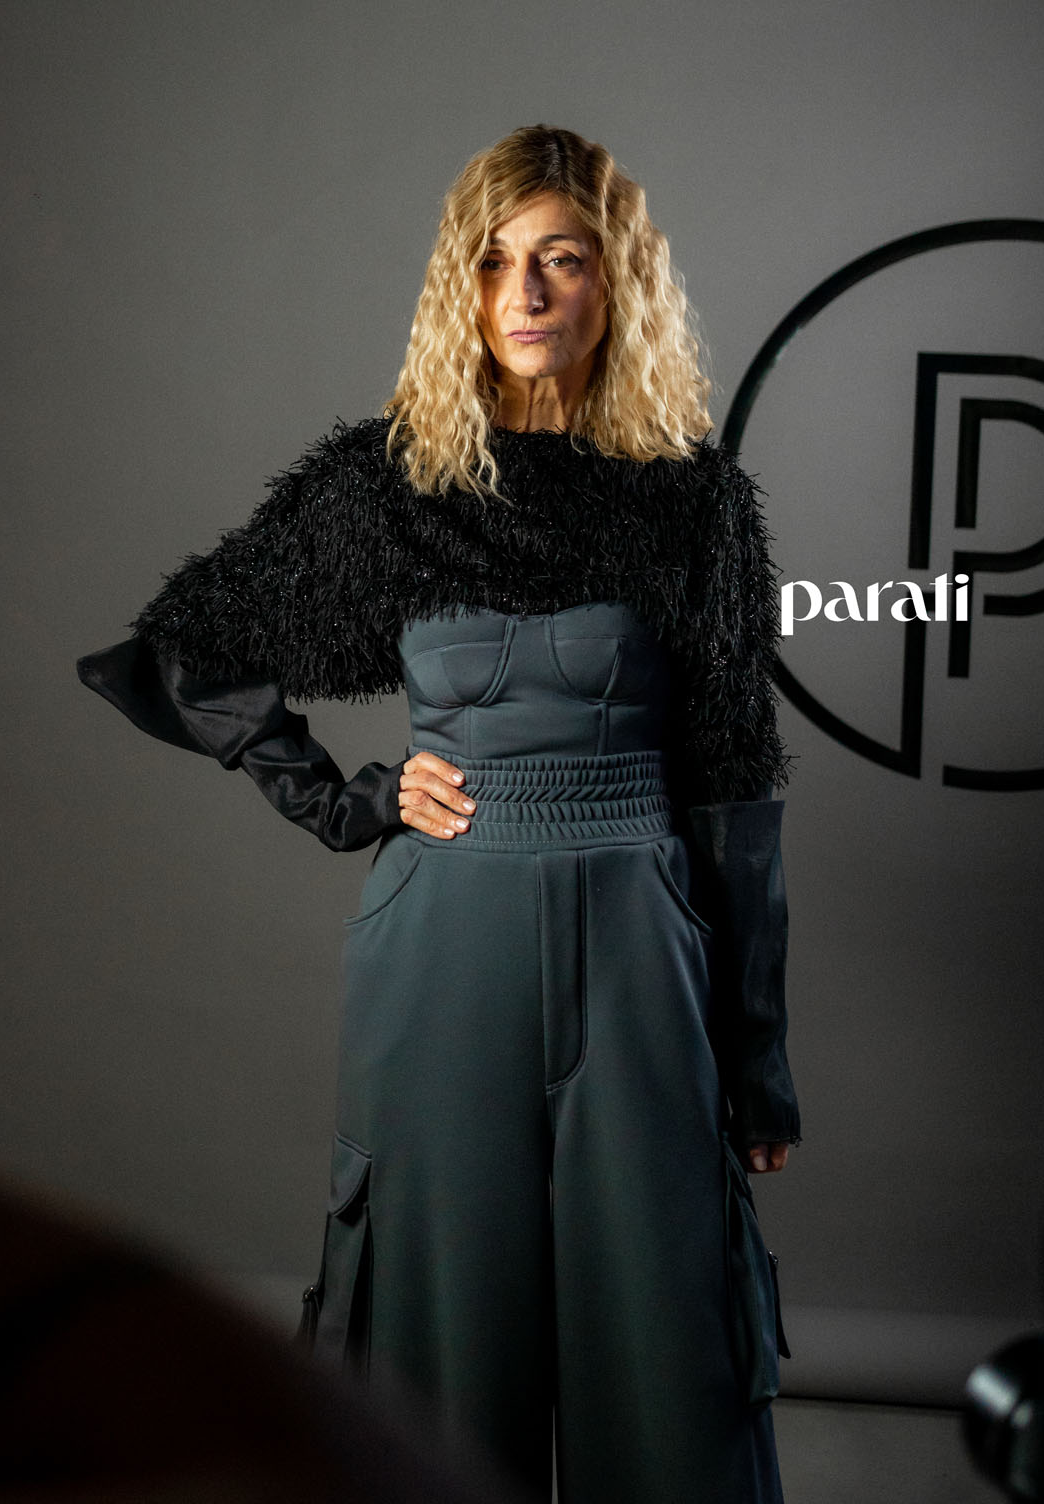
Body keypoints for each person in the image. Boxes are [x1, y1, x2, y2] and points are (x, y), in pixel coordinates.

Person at [78, 124, 801, 1504]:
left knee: (668, 1358)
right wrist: (346, 800)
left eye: (560, 259)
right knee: (436, 1353)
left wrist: (757, 1057)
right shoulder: (387, 486)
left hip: (642, 947)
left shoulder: (694, 503)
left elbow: (735, 789)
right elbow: (185, 649)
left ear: (616, 282)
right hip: (444, 944)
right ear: (457, 288)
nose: (523, 293)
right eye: (492, 262)